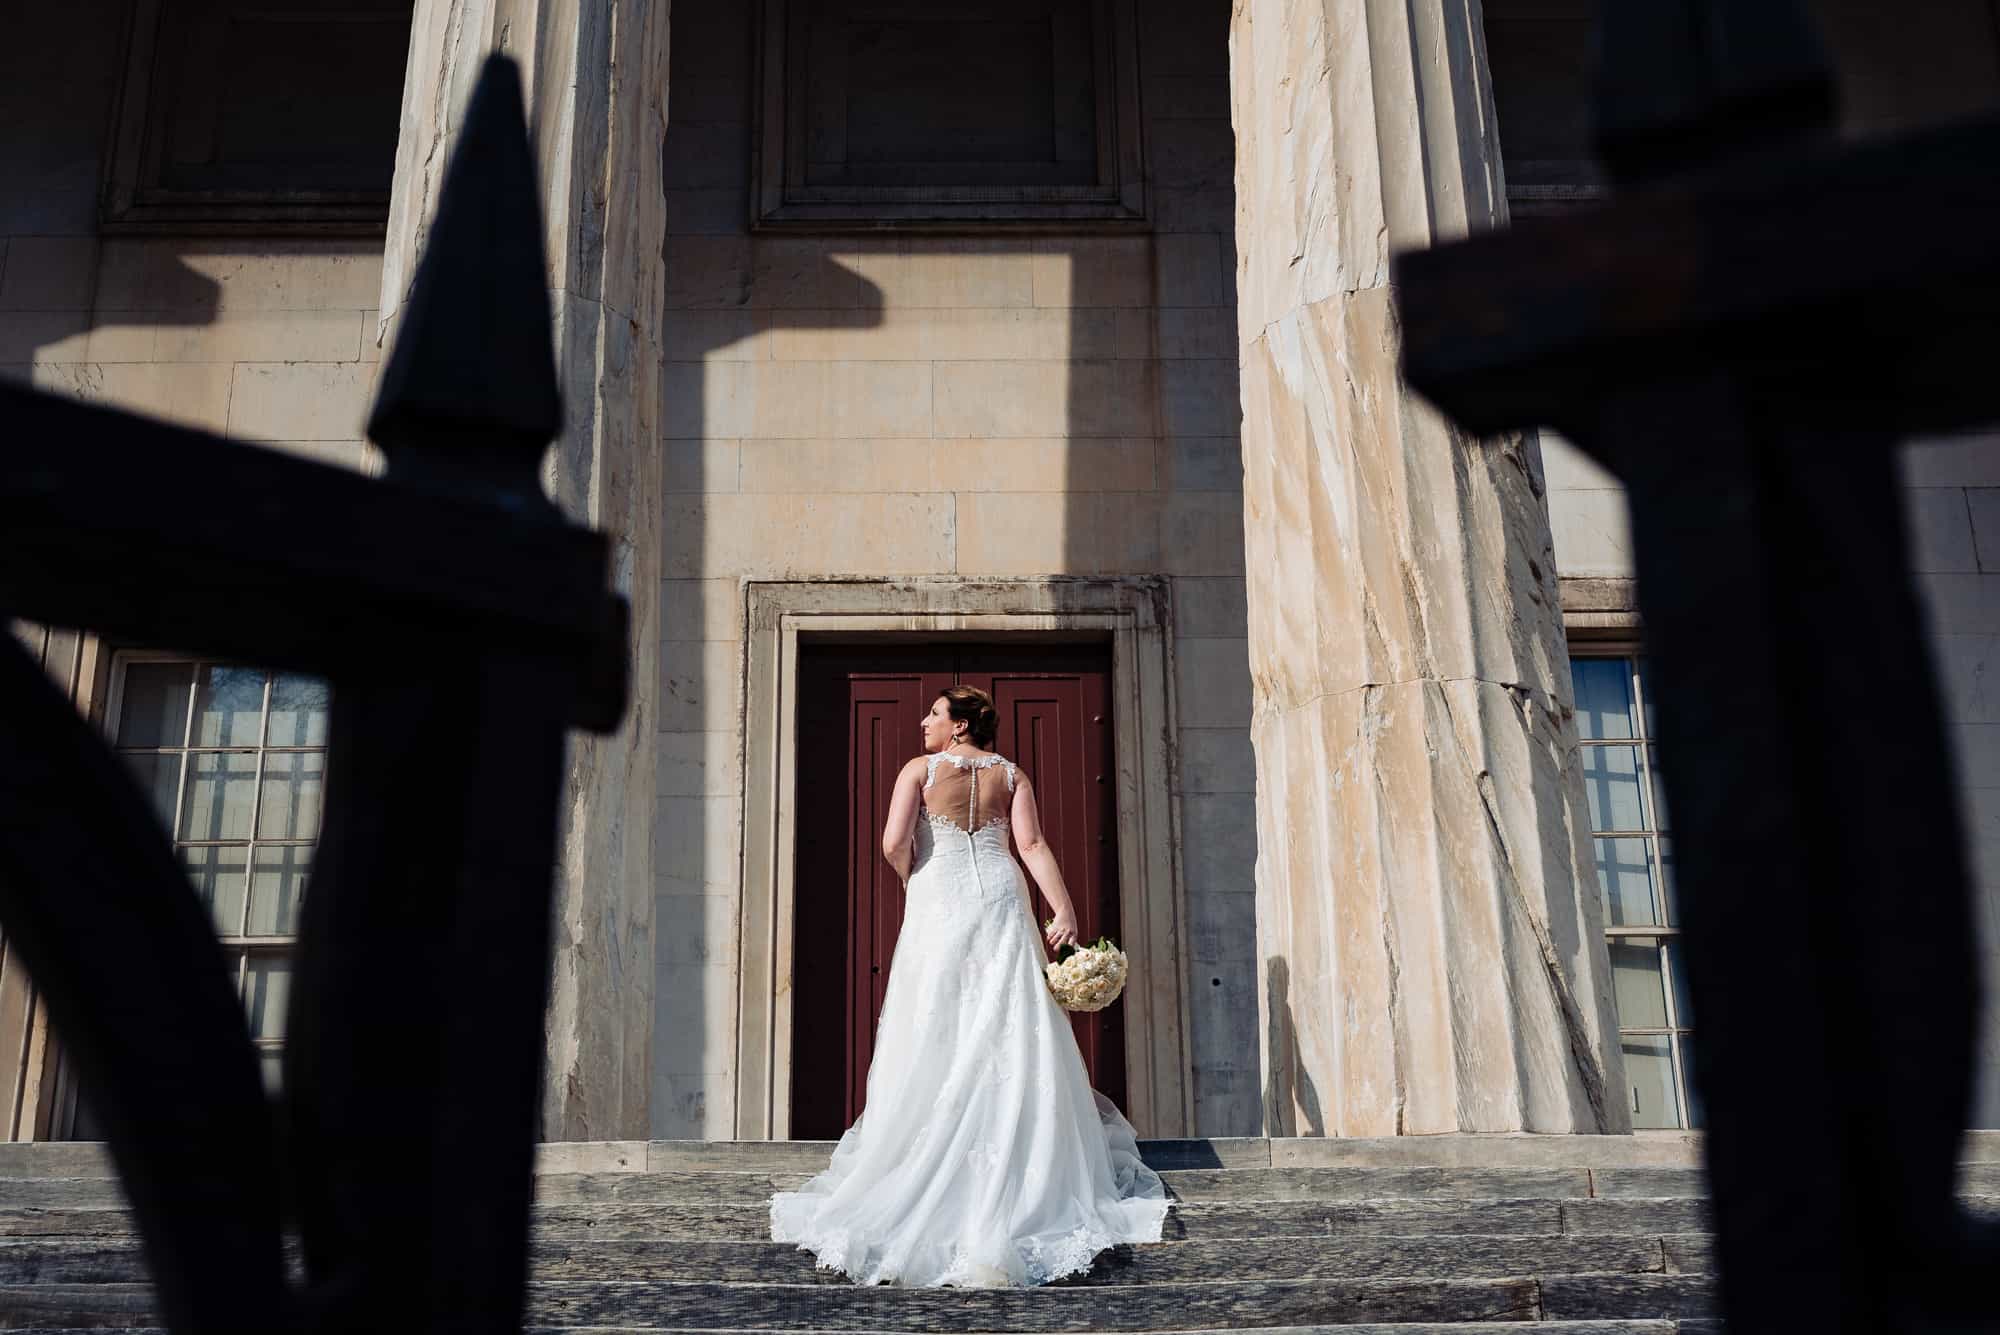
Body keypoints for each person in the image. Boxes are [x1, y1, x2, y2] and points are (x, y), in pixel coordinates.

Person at [770, 684, 1168, 1286]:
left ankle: (929, 1152)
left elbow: (892, 843)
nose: (923, 724)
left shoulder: (919, 770)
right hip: (1004, 900)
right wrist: (1063, 910)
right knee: (1010, 1021)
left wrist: (914, 880)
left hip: (941, 898)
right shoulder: (1012, 774)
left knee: (936, 1015)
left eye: (933, 714)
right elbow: (1030, 845)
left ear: (958, 727)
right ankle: (1023, 1161)